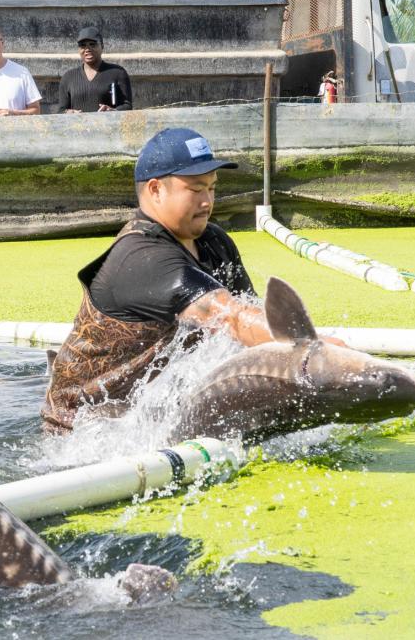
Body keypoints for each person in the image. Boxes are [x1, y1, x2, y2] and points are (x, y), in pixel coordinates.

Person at [42, 128, 280, 432]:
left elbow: (252, 315)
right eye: (195, 190)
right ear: (155, 190)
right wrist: (314, 348)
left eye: (212, 188)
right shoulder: (141, 257)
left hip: (153, 414)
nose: (207, 201)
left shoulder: (214, 242)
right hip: (82, 434)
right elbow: (230, 317)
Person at [56, 26, 132, 113]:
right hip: (78, 126)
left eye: (92, 44)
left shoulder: (118, 73)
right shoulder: (68, 77)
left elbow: (127, 106)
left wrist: (112, 111)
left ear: (102, 46)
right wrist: (68, 113)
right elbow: (61, 111)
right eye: (83, 45)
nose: (87, 49)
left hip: (108, 125)